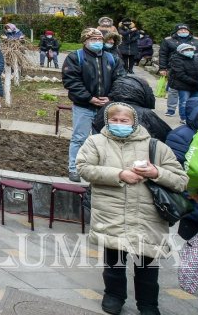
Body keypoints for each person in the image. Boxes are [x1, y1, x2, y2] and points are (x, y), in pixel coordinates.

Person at [76, 102, 188, 315]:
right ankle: (114, 296)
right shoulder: (96, 142)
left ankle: (148, 304)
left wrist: (156, 173)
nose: (119, 124)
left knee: (147, 265)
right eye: (114, 120)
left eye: (124, 120)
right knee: (114, 262)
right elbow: (84, 168)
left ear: (134, 122)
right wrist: (119, 174)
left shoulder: (155, 146)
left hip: (147, 216)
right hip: (111, 213)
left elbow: (181, 180)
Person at [62, 26, 126, 181]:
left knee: (103, 139)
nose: (97, 42)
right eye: (93, 39)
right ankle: (74, 169)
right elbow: (71, 81)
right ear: (85, 41)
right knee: (79, 138)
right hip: (83, 106)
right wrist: (89, 98)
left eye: (99, 39)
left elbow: (121, 79)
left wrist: (111, 97)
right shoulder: (75, 57)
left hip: (106, 107)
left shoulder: (112, 58)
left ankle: (98, 169)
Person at [160, 23, 197, 116]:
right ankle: (171, 109)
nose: (183, 31)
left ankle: (187, 111)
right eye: (181, 30)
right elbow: (163, 54)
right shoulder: (168, 40)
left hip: (189, 69)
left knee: (187, 91)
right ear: (176, 31)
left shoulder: (196, 41)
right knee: (173, 90)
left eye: (185, 30)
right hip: (172, 68)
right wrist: (162, 68)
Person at [168, 41, 198, 121]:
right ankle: (184, 118)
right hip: (183, 85)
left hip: (195, 85)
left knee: (196, 103)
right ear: (180, 51)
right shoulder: (176, 59)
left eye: (191, 49)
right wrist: (195, 82)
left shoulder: (196, 58)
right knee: (184, 102)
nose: (189, 51)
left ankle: (193, 118)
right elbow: (180, 75)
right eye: (186, 50)